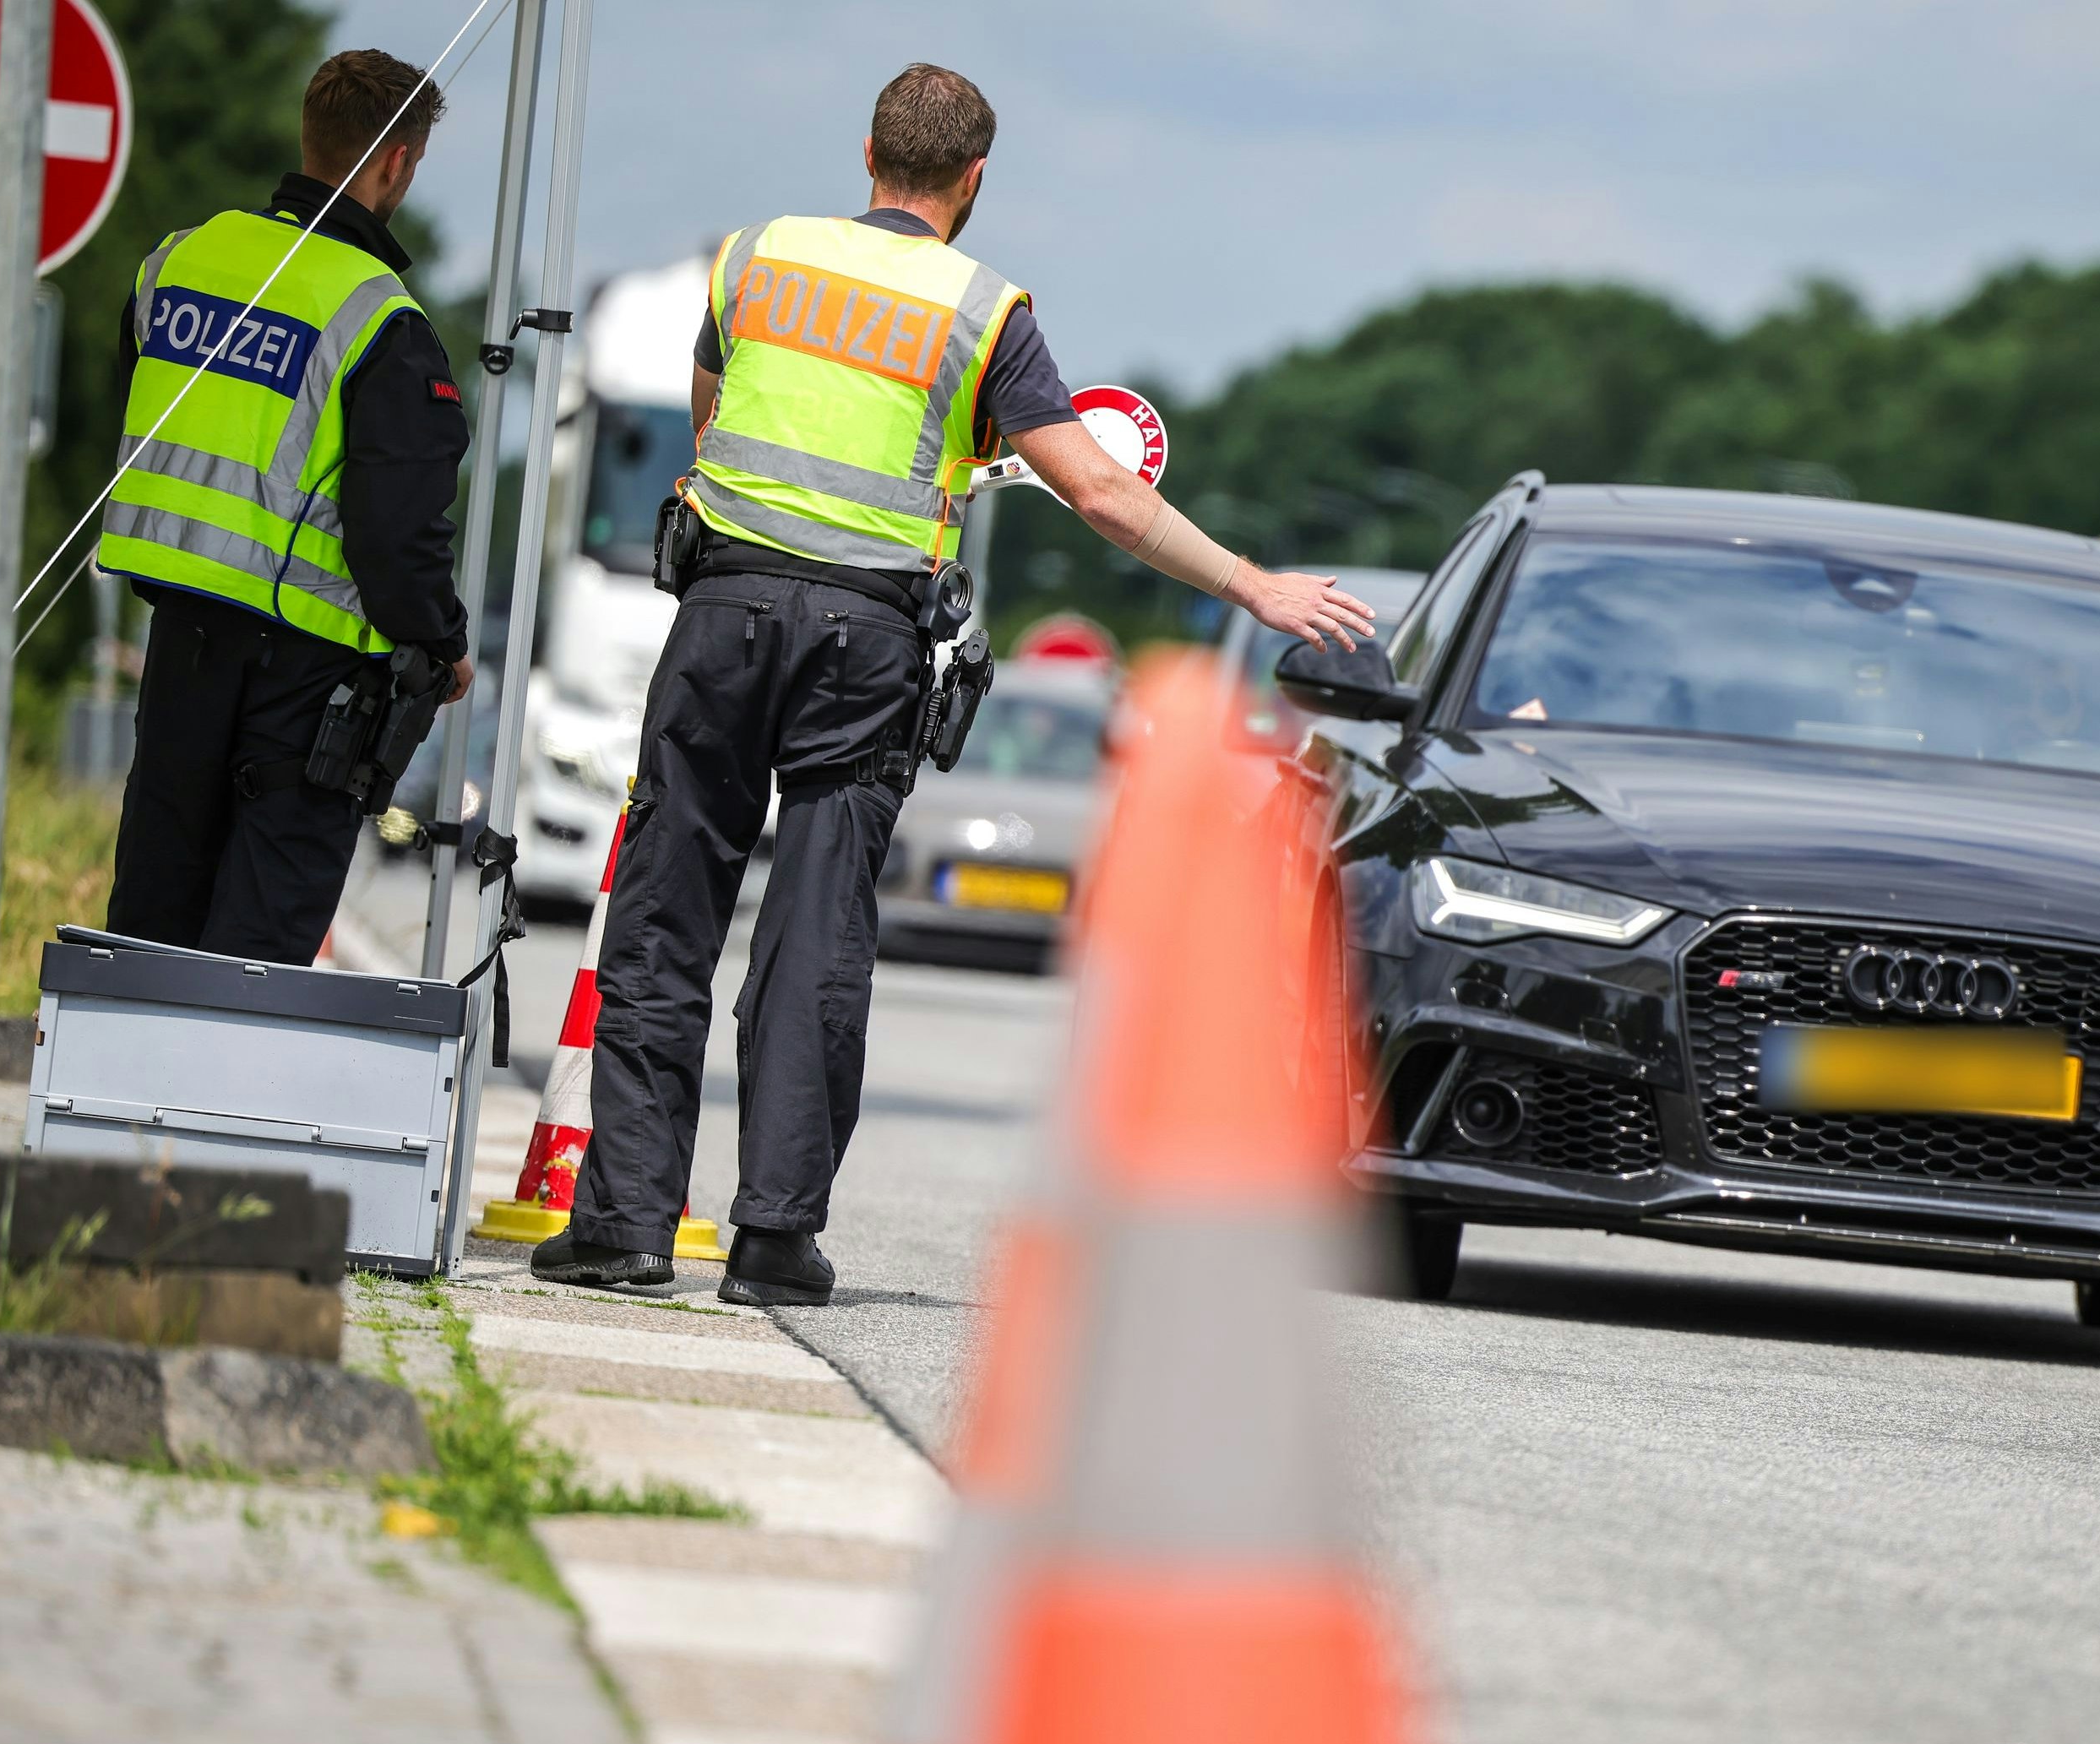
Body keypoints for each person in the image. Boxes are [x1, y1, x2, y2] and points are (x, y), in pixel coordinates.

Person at [530, 63, 1373, 1304]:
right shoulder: (984, 311)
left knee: (665, 919)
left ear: (868, 149)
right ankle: (771, 1242)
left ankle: (624, 1226)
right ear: (974, 178)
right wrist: (1253, 585)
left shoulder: (755, 258)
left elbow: (713, 418)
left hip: (723, 614)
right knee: (816, 933)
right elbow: (1100, 490)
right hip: (861, 645)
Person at [95, 50, 473, 962]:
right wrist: (445, 642)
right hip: (310, 686)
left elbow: (131, 415)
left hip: (180, 643)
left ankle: (133, 1062)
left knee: (152, 918)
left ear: (312, 136)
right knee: (259, 948)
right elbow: (396, 537)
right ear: (397, 163)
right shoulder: (382, 319)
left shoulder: (178, 261)